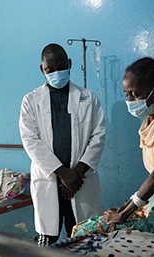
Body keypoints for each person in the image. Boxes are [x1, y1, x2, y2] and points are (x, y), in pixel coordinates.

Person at [73, 57, 154, 239]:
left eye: (134, 94)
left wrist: (124, 214)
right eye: (126, 94)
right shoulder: (149, 121)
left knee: (87, 229)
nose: (129, 99)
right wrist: (127, 206)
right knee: (88, 225)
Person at [19, 43, 106, 246]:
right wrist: (63, 173)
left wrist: (76, 174)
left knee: (83, 237)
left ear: (69, 64)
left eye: (61, 67)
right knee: (47, 239)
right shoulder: (31, 100)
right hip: (50, 179)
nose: (56, 73)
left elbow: (98, 135)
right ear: (42, 70)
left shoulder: (88, 97)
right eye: (50, 69)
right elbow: (30, 140)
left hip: (80, 182)